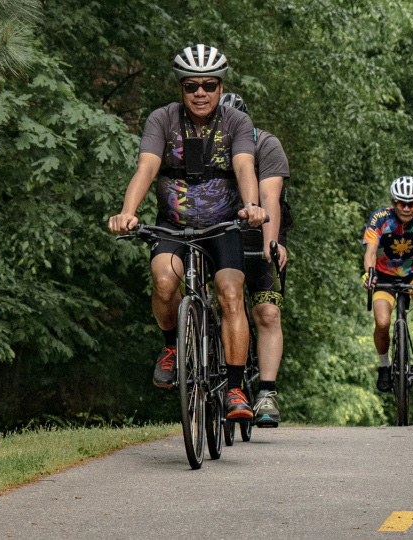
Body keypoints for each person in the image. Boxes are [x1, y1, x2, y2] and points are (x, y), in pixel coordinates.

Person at [108, 44, 266, 421]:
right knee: (164, 282)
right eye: (191, 85)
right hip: (173, 224)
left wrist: (252, 205)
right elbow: (146, 168)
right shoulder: (162, 120)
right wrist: (127, 213)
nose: (200, 93)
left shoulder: (236, 123)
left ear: (219, 86)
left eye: (209, 86)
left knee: (230, 291)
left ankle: (235, 388)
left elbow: (245, 167)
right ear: (181, 88)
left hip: (224, 224)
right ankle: (170, 346)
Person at [219, 93, 290, 428]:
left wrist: (271, 243)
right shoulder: (204, 145)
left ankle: (266, 392)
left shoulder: (266, 145)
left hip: (259, 231)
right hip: (215, 231)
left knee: (267, 310)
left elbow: (269, 196)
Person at [362, 176, 413, 392]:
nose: (406, 208)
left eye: (412, 203)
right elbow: (370, 251)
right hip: (384, 276)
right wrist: (369, 273)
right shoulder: (380, 218)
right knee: (382, 323)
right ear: (394, 202)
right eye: (401, 203)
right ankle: (384, 366)